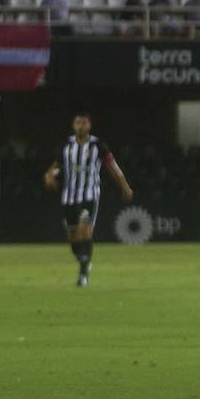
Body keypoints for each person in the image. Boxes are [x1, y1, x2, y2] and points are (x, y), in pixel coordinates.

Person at [43, 113, 134, 287]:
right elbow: (56, 167)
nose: (81, 126)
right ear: (73, 125)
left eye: (84, 123)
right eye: (78, 123)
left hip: (90, 195)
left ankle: (83, 275)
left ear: (89, 126)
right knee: (73, 237)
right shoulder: (66, 145)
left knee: (85, 229)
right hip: (69, 197)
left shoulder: (98, 145)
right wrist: (48, 176)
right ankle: (84, 260)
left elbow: (112, 167)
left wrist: (125, 186)